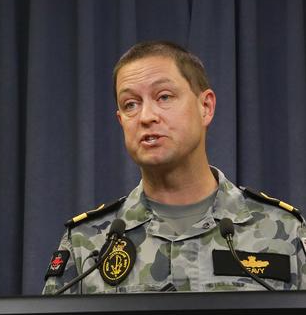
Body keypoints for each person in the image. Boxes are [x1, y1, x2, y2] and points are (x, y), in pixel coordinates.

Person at [43, 40, 306, 294]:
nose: (146, 117)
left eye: (164, 97)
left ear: (206, 107)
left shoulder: (284, 230)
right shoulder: (87, 241)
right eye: (130, 104)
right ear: (120, 120)